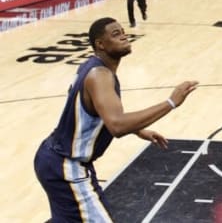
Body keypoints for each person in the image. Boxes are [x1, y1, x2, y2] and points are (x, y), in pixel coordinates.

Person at [34, 17, 199, 222]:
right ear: (100, 44)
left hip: (53, 158)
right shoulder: (100, 76)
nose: (123, 35)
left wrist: (138, 130)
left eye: (122, 31)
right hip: (66, 165)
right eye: (115, 34)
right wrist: (171, 102)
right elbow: (117, 125)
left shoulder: (93, 66)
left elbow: (101, 112)